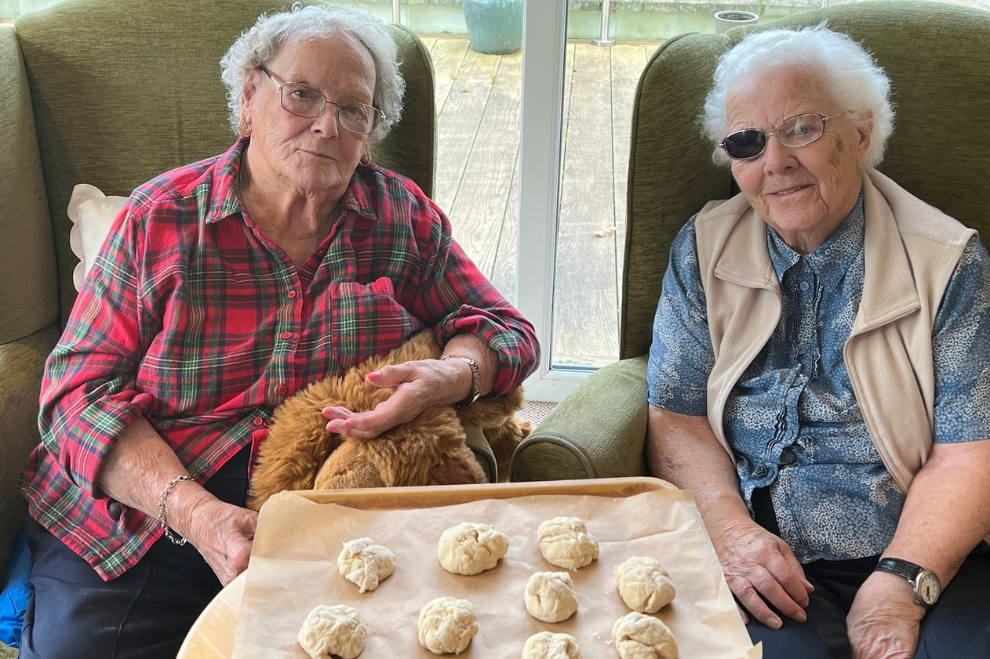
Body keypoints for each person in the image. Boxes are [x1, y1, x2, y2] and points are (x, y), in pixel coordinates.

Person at [17, 6, 538, 658]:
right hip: (152, 513)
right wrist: (195, 512)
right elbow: (75, 394)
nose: (326, 124)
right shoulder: (163, 219)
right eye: (302, 94)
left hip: (323, 507)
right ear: (248, 98)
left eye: (355, 110)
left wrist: (452, 373)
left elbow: (506, 330)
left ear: (368, 133)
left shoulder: (398, 217)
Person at [647, 26, 990, 659]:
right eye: (748, 142)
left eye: (801, 128)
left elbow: (970, 451)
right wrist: (727, 532)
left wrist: (899, 585)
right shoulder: (702, 249)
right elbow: (677, 415)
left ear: (860, 134)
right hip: (759, 540)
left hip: (916, 539)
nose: (774, 161)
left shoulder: (948, 262)